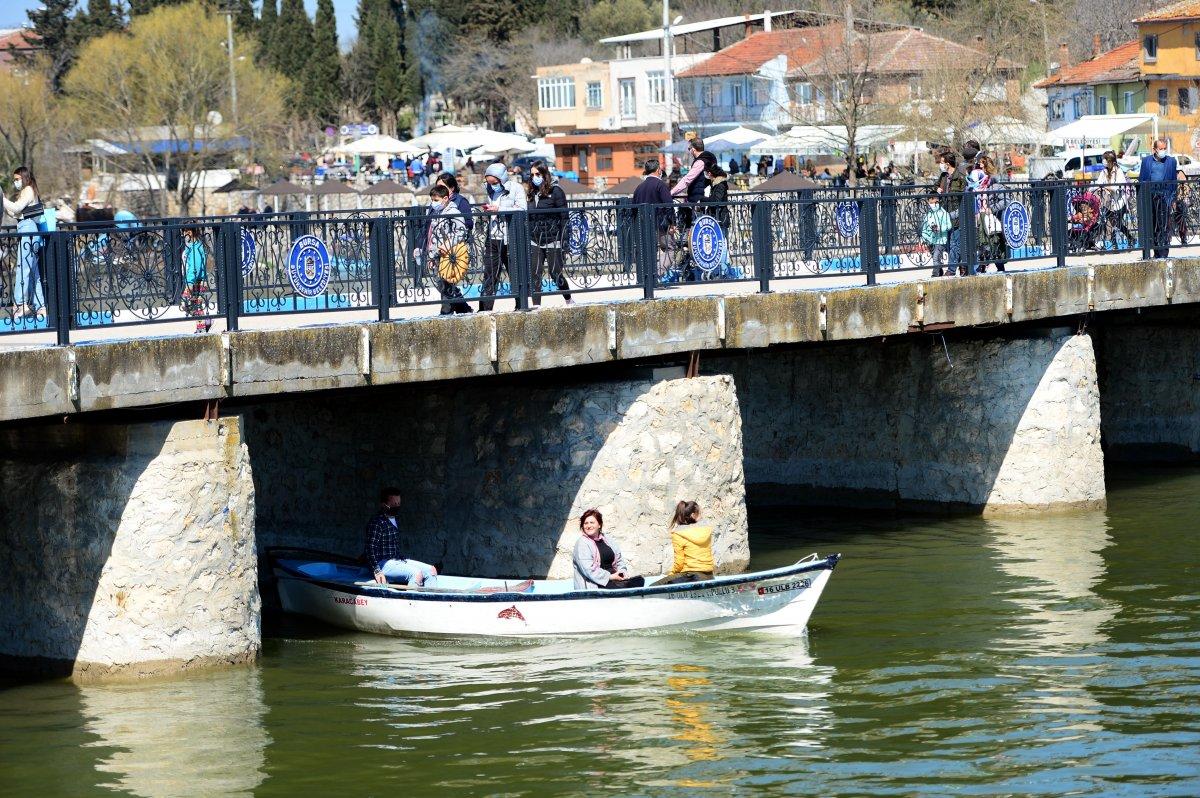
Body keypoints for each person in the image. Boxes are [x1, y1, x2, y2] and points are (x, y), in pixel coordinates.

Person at [363, 487, 437, 587]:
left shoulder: (396, 519)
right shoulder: (377, 522)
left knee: (431, 570)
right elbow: (370, 549)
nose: (397, 506)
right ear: (384, 505)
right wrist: (377, 571)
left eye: (398, 503)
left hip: (397, 560)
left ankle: (429, 598)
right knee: (416, 574)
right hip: (383, 563)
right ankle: (410, 601)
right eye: (393, 504)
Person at [479, 162, 526, 311]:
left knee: (515, 273)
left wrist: (500, 209)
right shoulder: (490, 190)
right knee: (490, 273)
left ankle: (521, 305)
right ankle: (485, 308)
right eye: (489, 182)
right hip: (493, 236)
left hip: (510, 237)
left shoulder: (516, 188)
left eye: (494, 182)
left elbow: (522, 209)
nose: (491, 185)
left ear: (502, 179)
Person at [420, 184, 472, 315]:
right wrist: (431, 256)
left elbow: (461, 231)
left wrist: (448, 245)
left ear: (445, 198)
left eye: (436, 200)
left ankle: (446, 311)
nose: (433, 203)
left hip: (449, 254)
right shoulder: (436, 213)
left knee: (446, 282)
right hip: (438, 253)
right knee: (440, 282)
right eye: (432, 200)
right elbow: (432, 236)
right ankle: (463, 308)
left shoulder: (453, 212)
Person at [527, 162, 572, 307]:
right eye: (532, 175)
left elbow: (564, 217)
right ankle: (536, 305)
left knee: (555, 273)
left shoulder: (556, 191)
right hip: (535, 239)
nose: (535, 177)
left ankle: (568, 299)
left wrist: (565, 241)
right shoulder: (532, 193)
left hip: (553, 239)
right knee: (535, 273)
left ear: (545, 174)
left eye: (538, 174)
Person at [3, 166, 46, 318]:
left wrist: (2, 198)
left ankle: (20, 305)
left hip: (28, 229)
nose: (15, 182)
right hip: (31, 230)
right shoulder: (29, 191)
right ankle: (41, 308)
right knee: (33, 271)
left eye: (17, 179)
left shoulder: (28, 190)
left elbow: (17, 207)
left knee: (23, 267)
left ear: (24, 177)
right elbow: (15, 211)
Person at [572, 508, 644, 590]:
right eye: (585, 523)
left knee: (639, 580)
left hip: (614, 579)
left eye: (592, 522)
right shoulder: (582, 544)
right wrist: (610, 577)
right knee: (625, 589)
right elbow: (589, 570)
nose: (588, 526)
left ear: (599, 525)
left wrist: (622, 572)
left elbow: (619, 560)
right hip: (596, 584)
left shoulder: (608, 539)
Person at [633, 157, 675, 275]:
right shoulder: (660, 185)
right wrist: (672, 223)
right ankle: (657, 273)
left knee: (648, 251)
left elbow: (634, 208)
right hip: (660, 225)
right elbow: (669, 205)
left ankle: (646, 276)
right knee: (670, 249)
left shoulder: (639, 187)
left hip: (644, 226)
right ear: (658, 170)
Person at [1138, 137, 1177, 258]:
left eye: (1165, 148)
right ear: (1154, 149)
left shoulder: (1171, 161)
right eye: (1161, 149)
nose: (1163, 151)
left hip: (1164, 197)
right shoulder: (1146, 161)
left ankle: (1164, 253)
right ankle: (1155, 251)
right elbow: (1142, 179)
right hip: (1150, 197)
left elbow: (1173, 181)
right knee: (1151, 225)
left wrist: (1173, 199)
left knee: (1164, 225)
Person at [661, 500, 715, 584]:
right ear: (693, 515)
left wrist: (670, 575)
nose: (702, 516)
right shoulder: (706, 529)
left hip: (692, 577)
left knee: (653, 586)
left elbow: (679, 564)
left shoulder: (678, 534)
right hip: (709, 576)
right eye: (700, 513)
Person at [1096, 150, 1135, 249]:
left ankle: (1130, 238)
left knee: (1117, 222)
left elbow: (1117, 187)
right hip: (1108, 202)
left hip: (1119, 201)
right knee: (1109, 221)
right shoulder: (1104, 171)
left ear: (1111, 161)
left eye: (1105, 159)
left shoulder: (1119, 171)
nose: (1104, 161)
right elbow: (1098, 183)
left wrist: (1106, 187)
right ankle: (1113, 242)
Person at [181, 227, 212, 333]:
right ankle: (204, 325)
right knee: (195, 305)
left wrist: (189, 283)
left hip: (195, 281)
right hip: (195, 281)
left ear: (189, 232)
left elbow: (196, 267)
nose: (184, 234)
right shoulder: (193, 246)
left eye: (184, 232)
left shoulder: (196, 247)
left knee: (186, 304)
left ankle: (203, 326)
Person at [922, 193, 952, 277]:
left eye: (936, 202)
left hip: (941, 240)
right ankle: (940, 269)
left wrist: (940, 229)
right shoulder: (928, 214)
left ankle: (935, 274)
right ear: (928, 202)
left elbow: (949, 225)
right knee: (935, 257)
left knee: (935, 257)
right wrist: (924, 239)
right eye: (932, 203)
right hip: (931, 240)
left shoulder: (943, 213)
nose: (935, 204)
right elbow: (924, 227)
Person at [1172, 168, 1189, 246]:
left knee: (1181, 219)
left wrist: (1181, 198)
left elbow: (1185, 187)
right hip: (1168, 199)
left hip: (1179, 200)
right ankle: (1166, 239)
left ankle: (1183, 238)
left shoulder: (1179, 173)